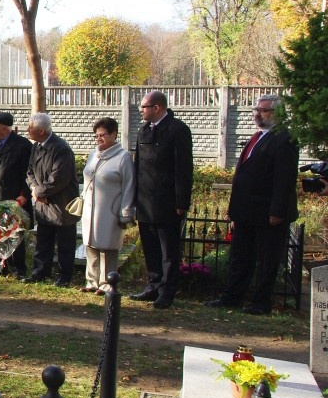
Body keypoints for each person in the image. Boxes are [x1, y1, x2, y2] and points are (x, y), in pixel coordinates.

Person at [205, 95, 299, 315]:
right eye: (256, 109)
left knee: (267, 259)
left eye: (264, 110)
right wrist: (234, 209)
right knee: (241, 256)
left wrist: (277, 210)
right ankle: (232, 297)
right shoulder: (257, 137)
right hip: (246, 211)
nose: (258, 114)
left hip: (268, 212)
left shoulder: (284, 138)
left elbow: (284, 179)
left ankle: (261, 302)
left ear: (278, 114)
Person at [132, 90, 193, 309]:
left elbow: (184, 168)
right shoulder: (143, 130)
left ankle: (167, 291)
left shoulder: (177, 130)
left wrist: (181, 202)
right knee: (150, 248)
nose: (141, 110)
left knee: (169, 251)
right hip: (145, 200)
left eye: (144, 107)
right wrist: (134, 197)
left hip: (167, 201)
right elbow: (138, 166)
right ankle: (153, 285)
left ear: (157, 108)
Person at [24, 113, 79, 287]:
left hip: (61, 205)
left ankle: (64, 277)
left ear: (41, 131)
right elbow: (30, 172)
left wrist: (40, 192)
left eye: (30, 127)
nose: (27, 130)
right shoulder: (37, 147)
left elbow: (58, 179)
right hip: (43, 204)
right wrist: (34, 189)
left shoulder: (61, 149)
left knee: (65, 244)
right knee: (43, 241)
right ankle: (40, 272)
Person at [81, 118, 136, 295]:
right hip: (91, 208)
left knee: (108, 248)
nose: (99, 139)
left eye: (102, 135)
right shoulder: (93, 154)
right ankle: (91, 281)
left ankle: (107, 284)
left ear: (113, 134)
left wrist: (126, 211)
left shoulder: (123, 157)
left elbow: (129, 185)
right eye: (96, 135)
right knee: (90, 245)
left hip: (110, 209)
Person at [0, 111, 33, 278]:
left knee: (14, 232)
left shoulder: (23, 145)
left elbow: (28, 173)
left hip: (13, 195)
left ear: (4, 129)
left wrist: (25, 195)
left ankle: (17, 269)